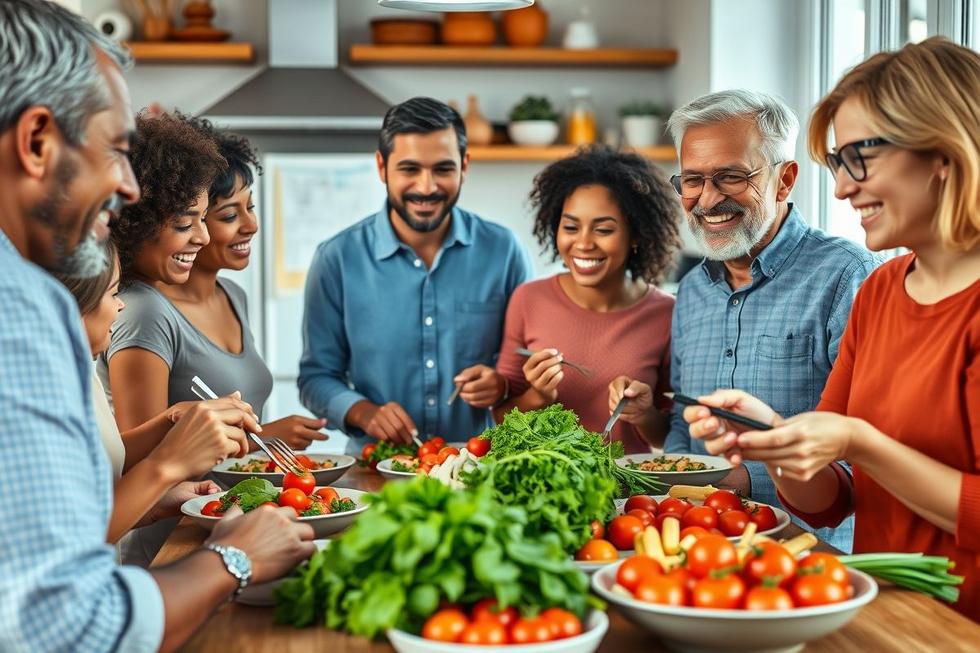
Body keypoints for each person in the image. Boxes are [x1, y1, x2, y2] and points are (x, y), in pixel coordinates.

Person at [0, 2, 313, 651]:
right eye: (116, 151)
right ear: (35, 142)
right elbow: (67, 625)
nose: (130, 186)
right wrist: (233, 558)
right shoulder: (21, 308)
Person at [684, 38, 980, 620]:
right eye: (838, 163)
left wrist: (858, 441)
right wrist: (772, 438)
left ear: (944, 151)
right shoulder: (881, 292)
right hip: (886, 614)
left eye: (860, 158)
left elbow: (860, 452)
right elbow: (833, 498)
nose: (843, 187)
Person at [660, 89, 880, 552]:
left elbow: (867, 447)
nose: (708, 199)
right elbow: (683, 424)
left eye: (732, 176)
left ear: (785, 180)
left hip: (813, 555)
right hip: (702, 548)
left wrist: (741, 479)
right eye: (693, 180)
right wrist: (679, 477)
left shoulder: (847, 276)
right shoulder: (693, 290)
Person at [298, 97, 533, 454]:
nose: (426, 187)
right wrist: (363, 412)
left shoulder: (503, 251)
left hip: (482, 467)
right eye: (409, 169)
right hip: (376, 470)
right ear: (382, 167)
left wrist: (500, 384)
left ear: (464, 166)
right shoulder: (337, 258)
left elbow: (525, 362)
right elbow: (315, 378)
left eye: (443, 169)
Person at [493, 146, 681, 451]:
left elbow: (668, 435)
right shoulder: (528, 300)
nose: (583, 243)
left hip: (628, 494)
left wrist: (644, 414)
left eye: (603, 229)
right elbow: (500, 419)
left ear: (636, 235)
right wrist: (538, 397)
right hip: (543, 490)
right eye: (570, 227)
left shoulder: (666, 313)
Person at [56, 240, 241, 545]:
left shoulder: (81, 373)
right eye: (113, 293)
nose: (121, 305)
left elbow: (99, 468)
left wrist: (152, 504)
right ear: (69, 305)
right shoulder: (38, 396)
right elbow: (68, 539)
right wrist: (169, 463)